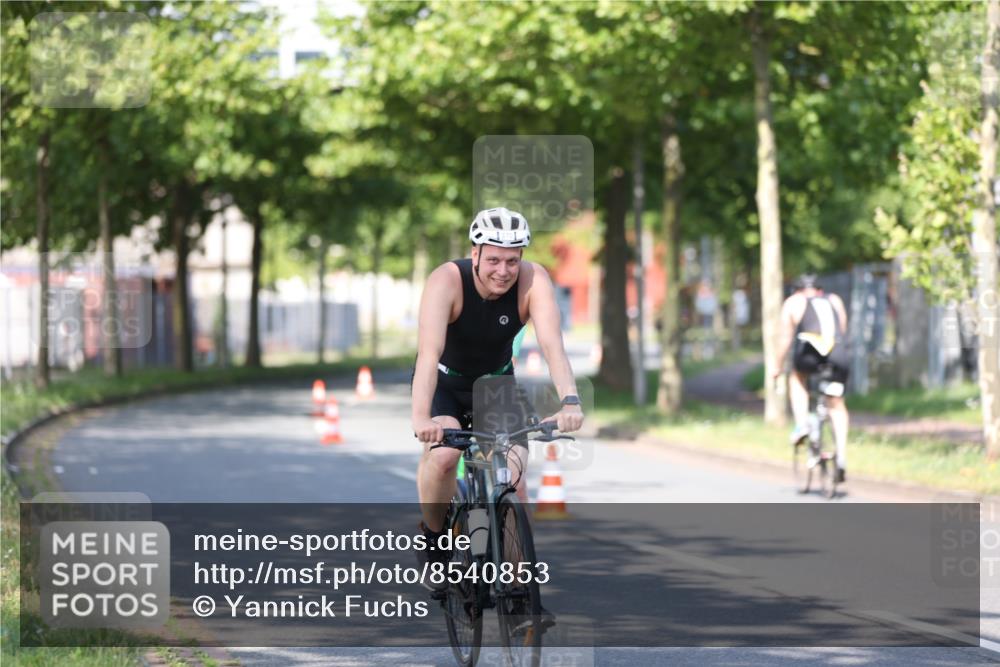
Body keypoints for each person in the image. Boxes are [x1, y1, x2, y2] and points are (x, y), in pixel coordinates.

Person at [411, 207, 584, 581]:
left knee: (515, 481)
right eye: (493, 260)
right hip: (445, 383)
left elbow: (553, 346)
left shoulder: (534, 280)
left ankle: (520, 593)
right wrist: (421, 417)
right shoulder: (446, 280)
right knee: (443, 458)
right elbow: (428, 355)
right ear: (474, 254)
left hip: (496, 386)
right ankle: (434, 538)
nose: (503, 271)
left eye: (512, 261)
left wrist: (570, 401)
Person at [772, 273, 850, 483]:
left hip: (809, 354)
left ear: (798, 290)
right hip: (838, 355)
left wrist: (777, 366)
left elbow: (785, 338)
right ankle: (841, 456)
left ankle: (802, 425)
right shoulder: (834, 300)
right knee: (836, 404)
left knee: (797, 378)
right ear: (819, 290)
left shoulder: (794, 302)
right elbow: (842, 330)